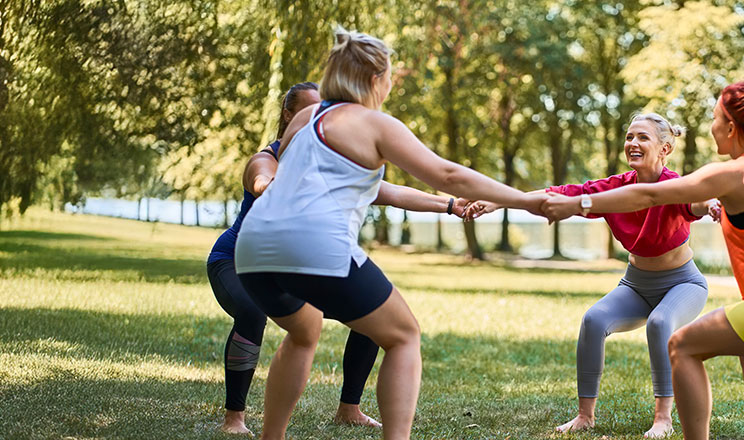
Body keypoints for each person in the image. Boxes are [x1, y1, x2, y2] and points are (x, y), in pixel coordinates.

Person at [234, 28, 547, 440]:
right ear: (375, 78)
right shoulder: (375, 124)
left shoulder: (304, 120)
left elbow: (379, 190)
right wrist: (525, 200)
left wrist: (448, 205)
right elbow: (448, 174)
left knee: (303, 331)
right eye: (390, 76)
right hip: (313, 245)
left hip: (252, 247)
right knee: (403, 335)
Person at [542, 80, 744, 440]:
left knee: (682, 345)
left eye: (714, 119)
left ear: (730, 127)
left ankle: (668, 420)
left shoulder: (733, 171)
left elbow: (651, 196)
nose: (711, 127)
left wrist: (579, 203)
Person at [206, 81, 481, 435]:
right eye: (310, 110)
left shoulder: (327, 164)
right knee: (251, 312)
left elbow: (391, 193)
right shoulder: (266, 158)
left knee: (374, 312)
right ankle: (234, 418)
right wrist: (281, 189)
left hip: (295, 263)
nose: (321, 117)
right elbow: (262, 181)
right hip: (235, 261)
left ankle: (349, 408)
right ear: (289, 116)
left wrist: (450, 205)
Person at [481, 113, 718, 438]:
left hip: (683, 283)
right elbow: (559, 194)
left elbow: (698, 201)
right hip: (636, 284)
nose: (633, 143)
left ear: (665, 149)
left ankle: (663, 418)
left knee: (660, 322)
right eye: (629, 136)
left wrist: (712, 205)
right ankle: (585, 416)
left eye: (643, 137)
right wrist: (497, 202)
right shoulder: (614, 188)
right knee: (594, 320)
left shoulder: (674, 186)